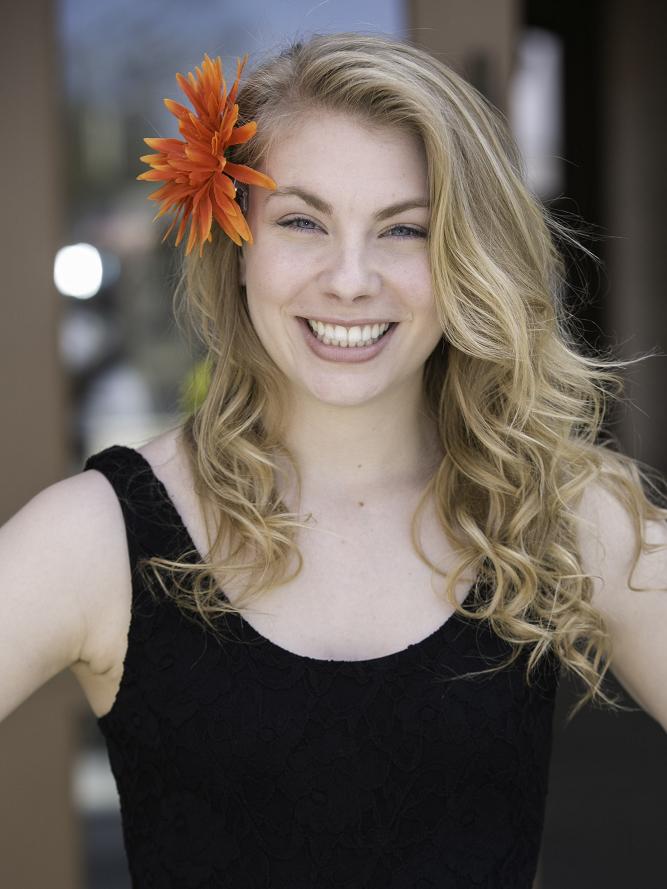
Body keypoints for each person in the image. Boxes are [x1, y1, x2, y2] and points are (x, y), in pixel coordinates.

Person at [1, 31, 666, 889]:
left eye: (404, 229)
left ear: (465, 258)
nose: (350, 279)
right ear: (238, 245)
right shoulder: (99, 535)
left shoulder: (559, 510)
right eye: (302, 221)